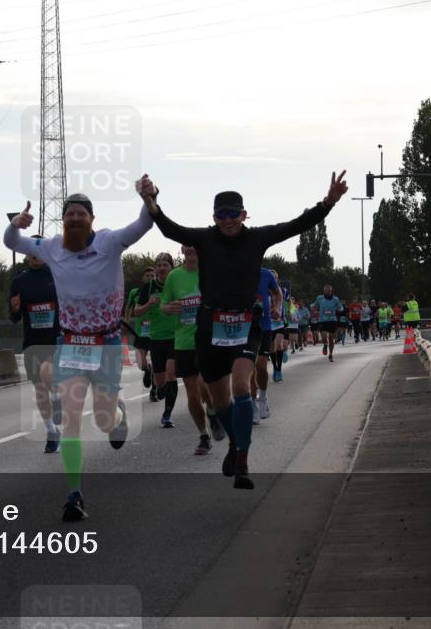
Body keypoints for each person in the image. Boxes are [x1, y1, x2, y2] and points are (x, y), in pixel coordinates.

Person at [140, 170, 349, 489]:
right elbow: (170, 228)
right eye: (222, 215)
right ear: (214, 217)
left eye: (233, 214)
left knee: (240, 386)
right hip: (210, 327)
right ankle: (235, 442)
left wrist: (328, 202)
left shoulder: (257, 238)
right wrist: (152, 201)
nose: (228, 220)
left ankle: (243, 462)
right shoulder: (205, 238)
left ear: (244, 214)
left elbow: (296, 225)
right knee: (219, 402)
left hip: (246, 324)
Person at [5, 190, 153, 521]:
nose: (74, 219)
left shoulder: (111, 242)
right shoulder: (52, 247)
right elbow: (11, 242)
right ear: (64, 220)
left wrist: (148, 197)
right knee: (71, 419)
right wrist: (16, 225)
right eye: (69, 214)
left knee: (102, 422)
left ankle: (117, 410)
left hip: (107, 343)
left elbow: (145, 222)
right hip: (71, 343)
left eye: (80, 214)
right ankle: (74, 495)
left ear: (91, 219)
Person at [160, 244, 226, 453]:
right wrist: (168, 308)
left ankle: (213, 413)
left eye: (193, 245)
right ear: (181, 250)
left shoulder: (212, 272)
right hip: (183, 342)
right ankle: (203, 435)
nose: (190, 249)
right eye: (186, 246)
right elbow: (164, 305)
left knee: (204, 385)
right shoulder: (174, 277)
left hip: (208, 339)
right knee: (192, 395)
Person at [10, 240, 63, 453]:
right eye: (30, 252)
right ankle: (51, 431)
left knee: (47, 374)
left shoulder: (56, 274)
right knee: (40, 389)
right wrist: (15, 310)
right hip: (32, 340)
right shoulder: (19, 281)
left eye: (38, 251)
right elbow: (13, 317)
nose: (35, 255)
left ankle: (58, 397)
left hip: (56, 338)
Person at [134, 253, 179, 427]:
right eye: (159, 265)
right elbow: (138, 311)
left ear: (171, 267)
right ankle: (157, 382)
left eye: (165, 265)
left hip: (176, 336)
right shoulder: (149, 286)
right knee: (160, 384)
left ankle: (167, 415)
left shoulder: (177, 284)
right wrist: (149, 304)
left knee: (171, 373)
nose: (161, 268)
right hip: (156, 337)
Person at [251, 267, 283, 421]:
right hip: (245, 328)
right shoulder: (235, 271)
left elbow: (277, 293)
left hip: (264, 326)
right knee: (249, 368)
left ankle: (262, 397)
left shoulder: (265, 274)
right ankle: (252, 405)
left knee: (261, 366)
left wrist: (276, 307)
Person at [125, 268, 156, 397]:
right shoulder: (135, 292)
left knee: (157, 362)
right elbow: (129, 306)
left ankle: (154, 390)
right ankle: (147, 370)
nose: (149, 278)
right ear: (143, 278)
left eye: (152, 276)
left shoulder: (160, 290)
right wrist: (126, 321)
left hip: (156, 331)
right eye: (147, 275)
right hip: (141, 331)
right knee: (141, 363)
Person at [312, 284, 342, 361]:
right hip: (322, 320)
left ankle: (331, 354)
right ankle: (325, 344)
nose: (328, 292)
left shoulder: (335, 299)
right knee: (324, 337)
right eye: (326, 291)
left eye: (329, 291)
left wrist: (340, 309)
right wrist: (313, 308)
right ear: (324, 291)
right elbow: (314, 305)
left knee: (331, 339)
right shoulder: (319, 298)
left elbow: (340, 307)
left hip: (332, 320)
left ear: (331, 291)